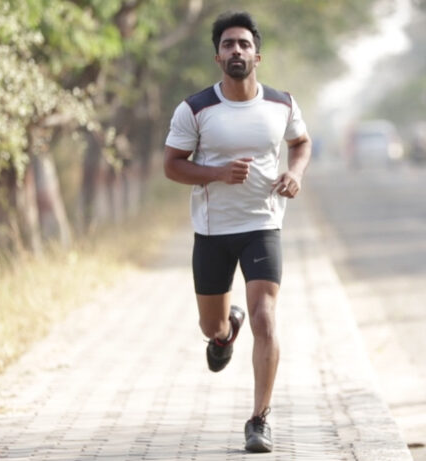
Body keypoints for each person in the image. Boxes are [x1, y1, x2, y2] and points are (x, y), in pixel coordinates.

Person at [162, 11, 311, 453]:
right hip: (212, 231)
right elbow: (171, 165)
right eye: (228, 45)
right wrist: (215, 173)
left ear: (257, 55)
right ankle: (226, 330)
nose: (237, 51)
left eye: (244, 44)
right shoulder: (196, 108)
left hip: (263, 223)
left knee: (266, 316)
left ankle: (259, 420)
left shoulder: (282, 103)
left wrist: (295, 174)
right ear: (218, 57)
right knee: (210, 326)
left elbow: (300, 143)